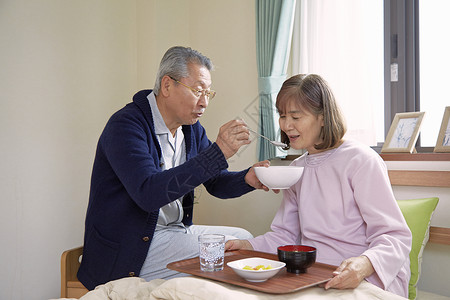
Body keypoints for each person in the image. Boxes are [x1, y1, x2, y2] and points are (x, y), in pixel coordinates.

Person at [78, 46, 272, 290]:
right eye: (197, 91)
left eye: (208, 93)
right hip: (132, 245)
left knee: (244, 241)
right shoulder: (126, 126)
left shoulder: (190, 128)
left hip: (175, 232)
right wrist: (219, 151)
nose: (204, 103)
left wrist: (248, 179)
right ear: (167, 85)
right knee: (230, 254)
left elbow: (215, 182)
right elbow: (148, 194)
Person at [225, 74, 412, 298]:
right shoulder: (297, 169)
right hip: (314, 275)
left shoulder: (360, 160)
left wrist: (363, 265)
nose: (286, 125)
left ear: (323, 117)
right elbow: (285, 236)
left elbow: (395, 236)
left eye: (295, 116)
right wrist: (244, 244)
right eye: (282, 116)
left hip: (361, 276)